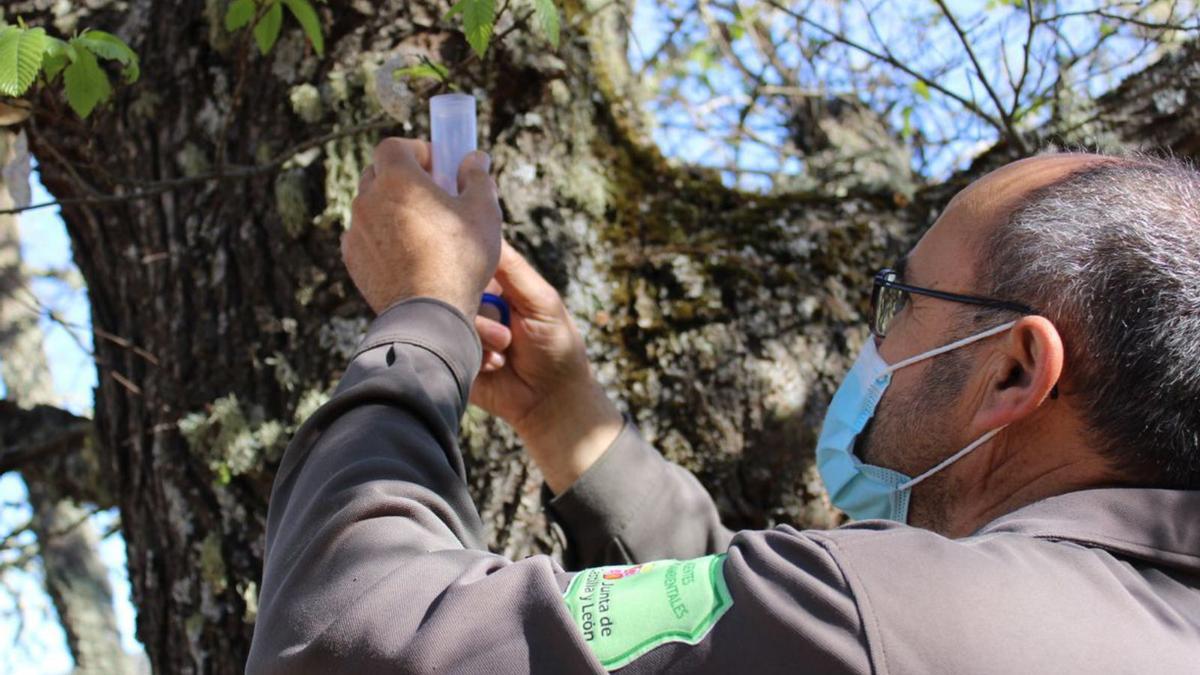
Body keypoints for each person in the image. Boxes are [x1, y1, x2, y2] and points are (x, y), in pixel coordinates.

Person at [245, 140, 1200, 673]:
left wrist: (422, 321)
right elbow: (740, 634)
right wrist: (573, 422)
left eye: (901, 302)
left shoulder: (915, 614)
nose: (872, 342)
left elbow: (353, 637)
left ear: (1013, 372)